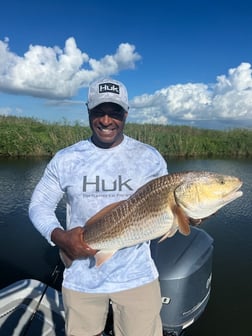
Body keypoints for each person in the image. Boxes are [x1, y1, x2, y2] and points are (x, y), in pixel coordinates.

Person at [29, 78, 168, 336]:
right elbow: (39, 205)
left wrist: (191, 216)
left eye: (114, 112)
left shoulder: (149, 158)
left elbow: (166, 210)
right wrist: (59, 237)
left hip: (137, 278)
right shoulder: (66, 159)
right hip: (81, 279)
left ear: (125, 113)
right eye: (99, 112)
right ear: (88, 111)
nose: (106, 120)